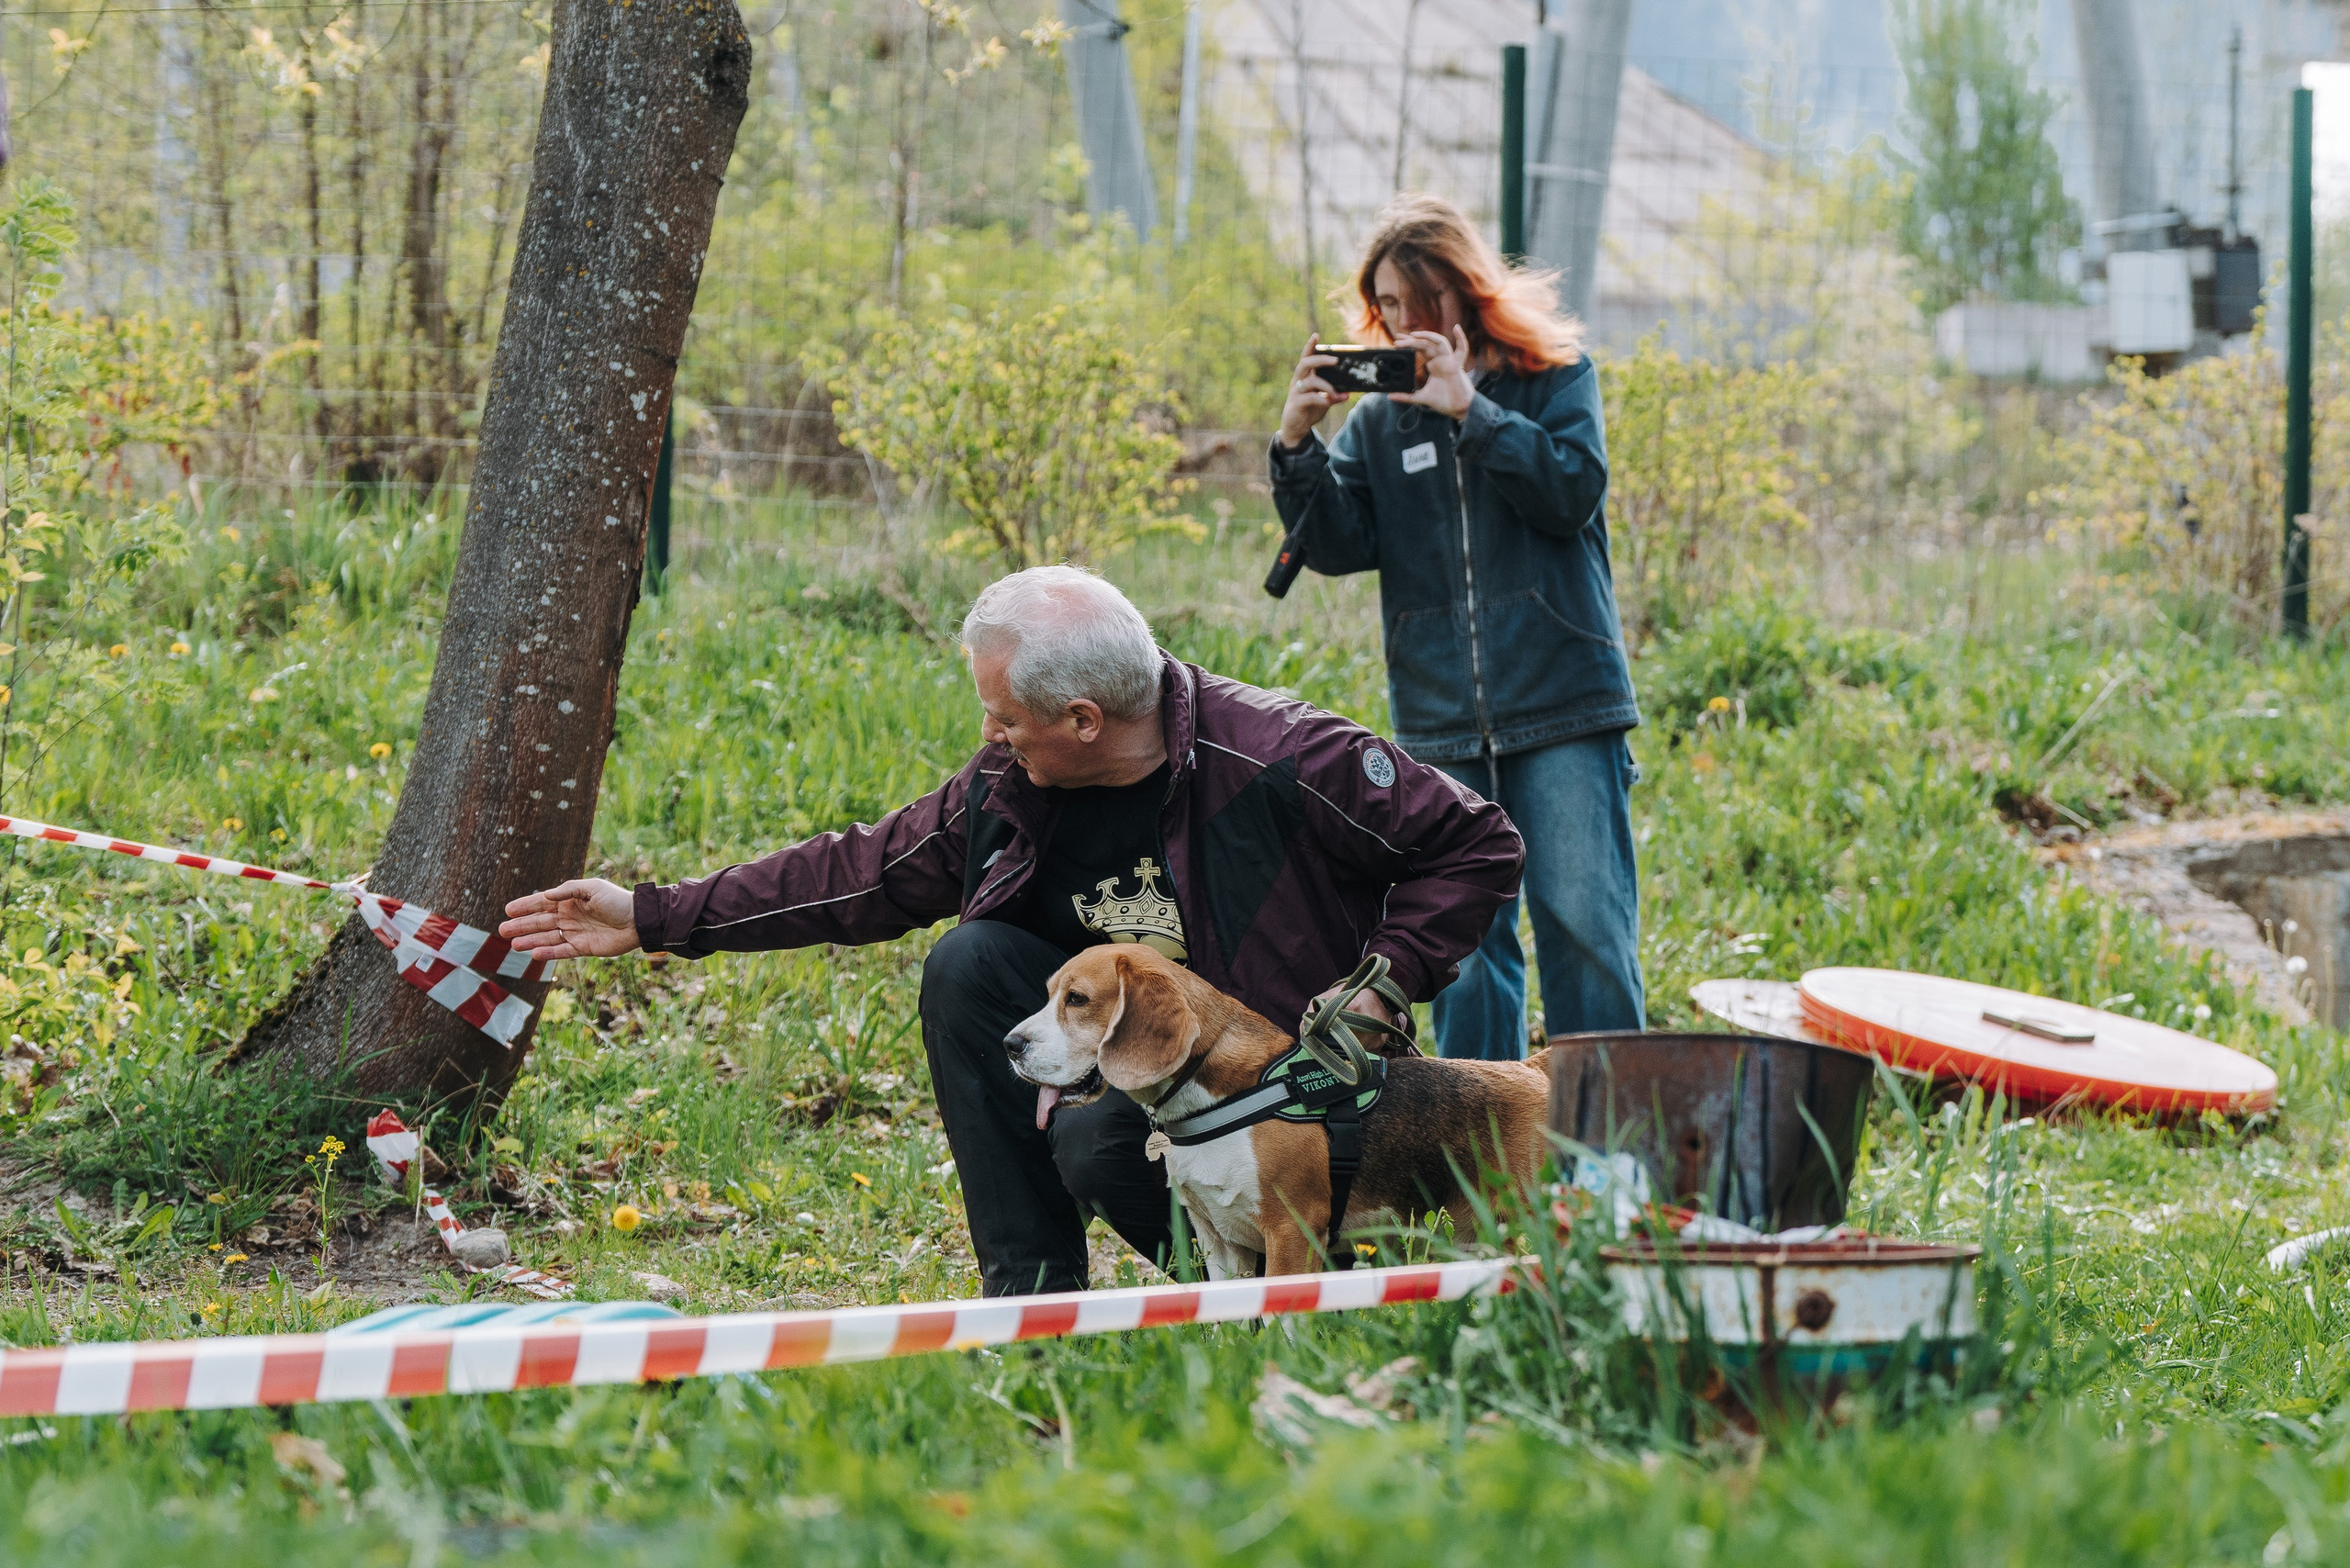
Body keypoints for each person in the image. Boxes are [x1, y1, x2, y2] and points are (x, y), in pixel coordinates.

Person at [499, 566, 1523, 1296]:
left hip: (1284, 1100)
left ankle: (1305, 1278)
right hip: (1113, 1052)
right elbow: (865, 869)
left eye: (1003, 717)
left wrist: (1384, 982)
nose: (988, 735)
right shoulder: (1008, 786)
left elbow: (1476, 846)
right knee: (968, 961)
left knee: (1094, 1140)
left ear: (1084, 718)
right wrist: (654, 914)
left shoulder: (1285, 758)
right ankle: (1033, 1299)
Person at [1268, 192, 1645, 1062]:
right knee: (1468, 950)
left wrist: (1470, 412)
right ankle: (1485, 1165)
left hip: (1565, 704)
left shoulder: (1555, 377)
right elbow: (1337, 544)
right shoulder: (1379, 419)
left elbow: (1571, 490)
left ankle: (1609, 1158)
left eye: (1411, 303)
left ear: (1460, 295)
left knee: (1586, 927)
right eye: (1384, 305)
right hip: (1441, 719)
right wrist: (1296, 446)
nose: (1397, 323)